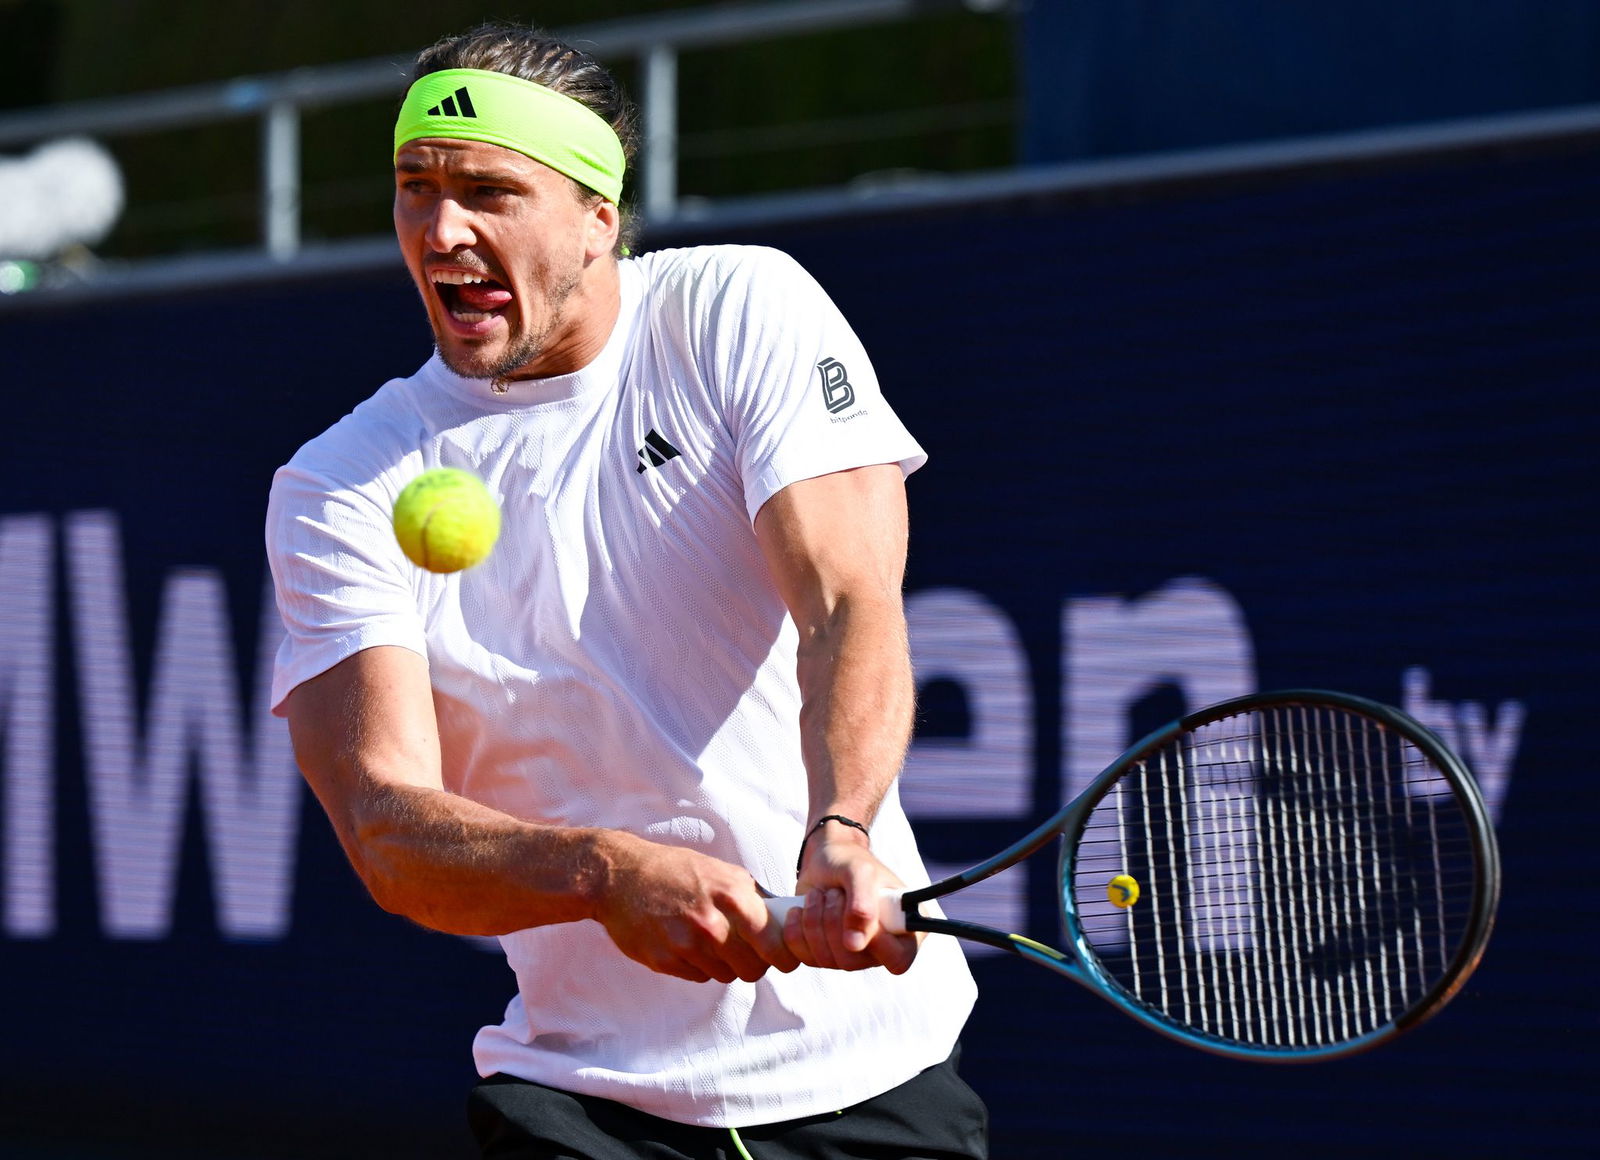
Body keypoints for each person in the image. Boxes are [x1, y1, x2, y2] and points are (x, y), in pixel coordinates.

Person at [266, 21, 985, 1160]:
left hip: (875, 1085)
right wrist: (601, 873)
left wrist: (839, 828)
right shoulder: (338, 484)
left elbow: (848, 603)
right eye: (416, 188)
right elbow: (385, 828)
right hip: (578, 1102)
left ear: (598, 218)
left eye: (489, 191)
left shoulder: (736, 311)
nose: (442, 230)